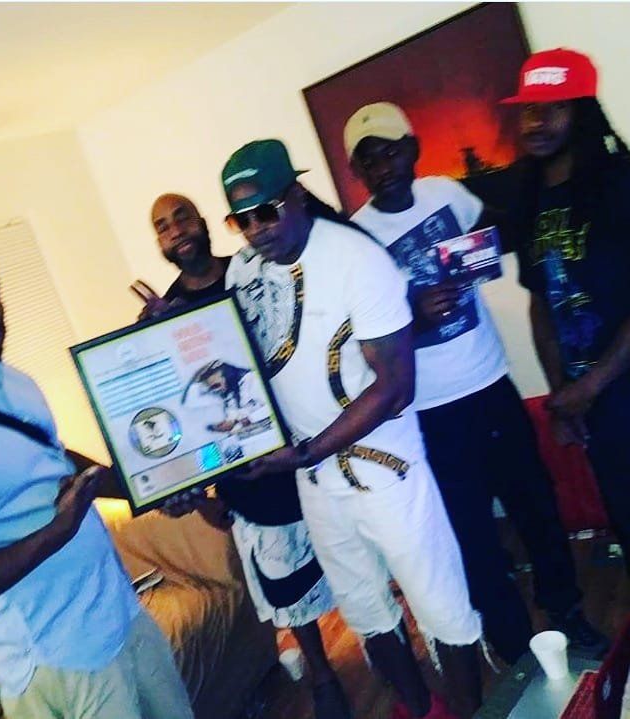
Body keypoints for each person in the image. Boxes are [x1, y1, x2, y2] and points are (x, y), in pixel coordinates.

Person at [222, 139, 483, 719]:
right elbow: (234, 355)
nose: (257, 229)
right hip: (316, 481)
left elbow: (395, 388)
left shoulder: (355, 259)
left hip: (385, 469)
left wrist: (306, 452)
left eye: (266, 211)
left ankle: (470, 711)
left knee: (439, 603)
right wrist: (174, 332)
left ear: (295, 195)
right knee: (364, 609)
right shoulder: (244, 271)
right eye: (242, 219)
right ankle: (419, 709)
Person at [346, 101, 607, 662]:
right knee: (473, 536)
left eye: (391, 152)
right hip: (431, 410)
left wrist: (474, 256)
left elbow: (496, 229)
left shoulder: (446, 193)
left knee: (537, 509)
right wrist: (413, 316)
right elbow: (360, 339)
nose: (383, 167)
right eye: (369, 161)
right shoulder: (357, 239)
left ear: (412, 148)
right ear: (357, 172)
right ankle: (515, 651)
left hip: (491, 384)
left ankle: (568, 612)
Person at [0, 249, 193, 719]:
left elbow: (53, 461)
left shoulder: (10, 380)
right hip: (61, 657)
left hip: (121, 613)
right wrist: (56, 533)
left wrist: (148, 488)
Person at [142, 193, 350, 719]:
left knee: (352, 558)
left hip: (307, 442)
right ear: (159, 242)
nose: (175, 230)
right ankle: (323, 676)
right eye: (162, 226)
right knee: (286, 585)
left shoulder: (255, 270)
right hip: (247, 475)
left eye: (182, 217)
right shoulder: (160, 316)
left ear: (204, 221)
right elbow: (179, 414)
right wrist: (201, 498)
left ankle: (382, 643)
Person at [503, 48, 630, 573]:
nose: (537, 120)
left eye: (554, 106)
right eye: (529, 108)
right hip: (589, 400)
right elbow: (540, 302)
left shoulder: (619, 180)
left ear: (582, 111)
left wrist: (592, 385)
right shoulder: (528, 196)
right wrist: (561, 397)